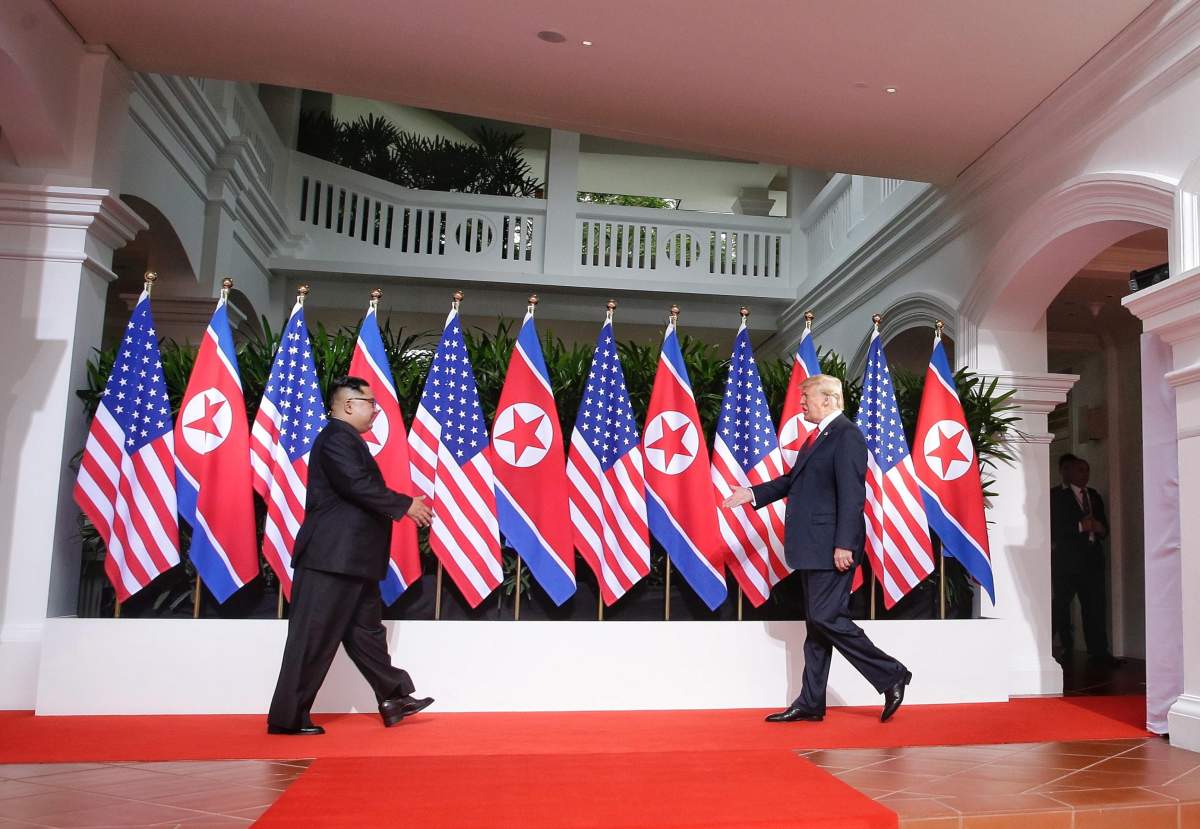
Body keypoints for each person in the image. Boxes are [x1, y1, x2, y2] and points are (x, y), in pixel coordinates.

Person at [722, 374, 911, 723]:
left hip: (831, 547)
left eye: (806, 397)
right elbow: (794, 482)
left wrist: (843, 544)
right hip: (813, 546)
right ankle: (811, 702)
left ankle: (891, 673)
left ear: (828, 400)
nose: (801, 404)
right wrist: (752, 493)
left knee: (826, 618)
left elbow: (854, 496)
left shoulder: (847, 435)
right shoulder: (818, 438)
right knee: (818, 626)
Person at [267, 376, 434, 735]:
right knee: (312, 636)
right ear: (347, 405)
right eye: (370, 403)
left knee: (366, 634)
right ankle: (288, 717)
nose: (375, 410)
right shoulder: (336, 439)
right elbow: (357, 485)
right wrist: (405, 505)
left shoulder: (347, 441)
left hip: (353, 560)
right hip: (331, 558)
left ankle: (394, 698)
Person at [1050, 454, 1118, 666]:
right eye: (1080, 470)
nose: (1085, 474)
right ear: (1067, 472)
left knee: (1095, 606)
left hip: (1092, 559)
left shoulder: (1094, 496)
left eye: (1087, 470)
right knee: (1060, 604)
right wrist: (1080, 527)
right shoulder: (1056, 496)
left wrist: (1100, 528)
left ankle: (1099, 652)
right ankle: (1044, 647)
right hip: (1067, 561)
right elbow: (1054, 527)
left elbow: (1104, 527)